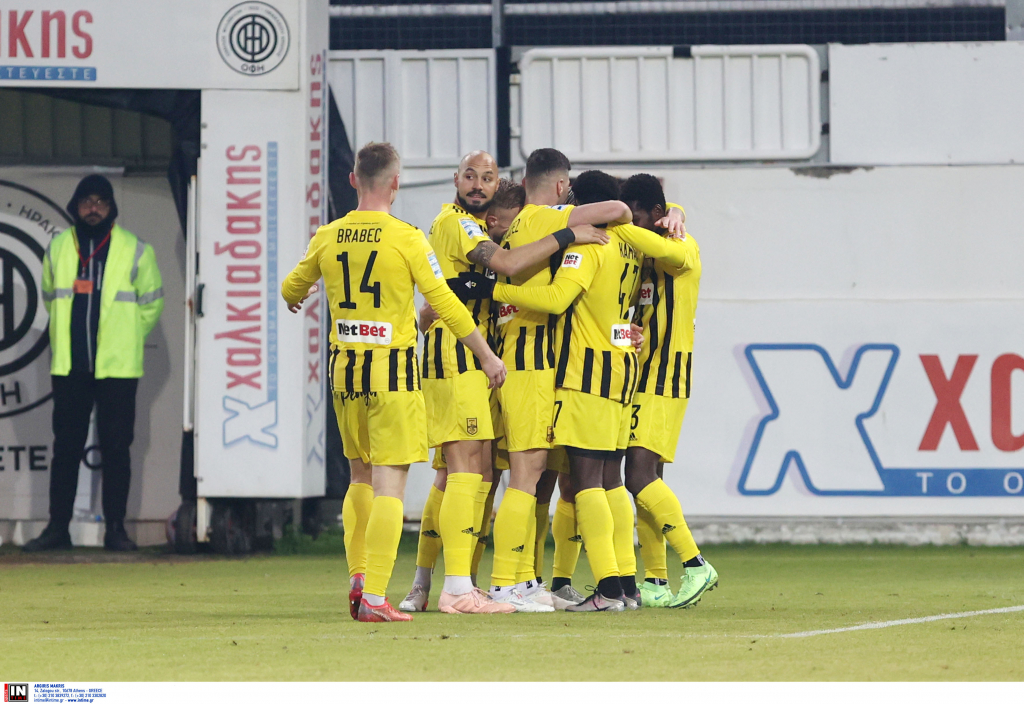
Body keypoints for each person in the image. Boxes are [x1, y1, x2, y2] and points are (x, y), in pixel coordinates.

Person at [282, 142, 506, 623]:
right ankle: (376, 597)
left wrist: (305, 290)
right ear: (396, 184)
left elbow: (290, 288)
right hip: (393, 376)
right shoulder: (406, 238)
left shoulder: (328, 235)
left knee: (358, 478)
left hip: (345, 376)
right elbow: (445, 303)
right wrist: (487, 355)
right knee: (389, 487)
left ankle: (359, 575)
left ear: (353, 180)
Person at [453, 169, 696, 611]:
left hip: (583, 375)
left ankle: (592, 588)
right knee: (608, 482)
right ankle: (624, 586)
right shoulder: (634, 248)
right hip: (620, 374)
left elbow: (556, 299)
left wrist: (492, 289)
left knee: (573, 482)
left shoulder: (589, 244)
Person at [400, 161, 607, 613]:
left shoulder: (472, 234)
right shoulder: (461, 226)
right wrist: (569, 235)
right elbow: (508, 267)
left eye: (487, 178)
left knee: (479, 475)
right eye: (471, 176)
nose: (512, 236)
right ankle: (463, 585)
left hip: (485, 365)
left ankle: (464, 582)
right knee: (471, 474)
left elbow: (442, 300)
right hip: (470, 361)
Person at [24, 175, 164, 553]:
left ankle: (115, 530)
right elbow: (50, 296)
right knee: (65, 449)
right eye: (86, 201)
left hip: (117, 369)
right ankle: (58, 528)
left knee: (117, 449)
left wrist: (127, 337)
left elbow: (152, 303)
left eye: (101, 201)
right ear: (75, 205)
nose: (93, 208)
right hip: (71, 366)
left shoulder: (135, 249)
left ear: (111, 207)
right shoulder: (58, 248)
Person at [620, 173, 717, 609]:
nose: (631, 226)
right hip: (641, 377)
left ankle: (695, 564)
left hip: (665, 378)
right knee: (648, 483)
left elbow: (668, 249)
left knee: (637, 476)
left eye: (637, 218)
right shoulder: (643, 261)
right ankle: (656, 580)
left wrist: (617, 224)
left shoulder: (683, 246)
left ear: (657, 215)